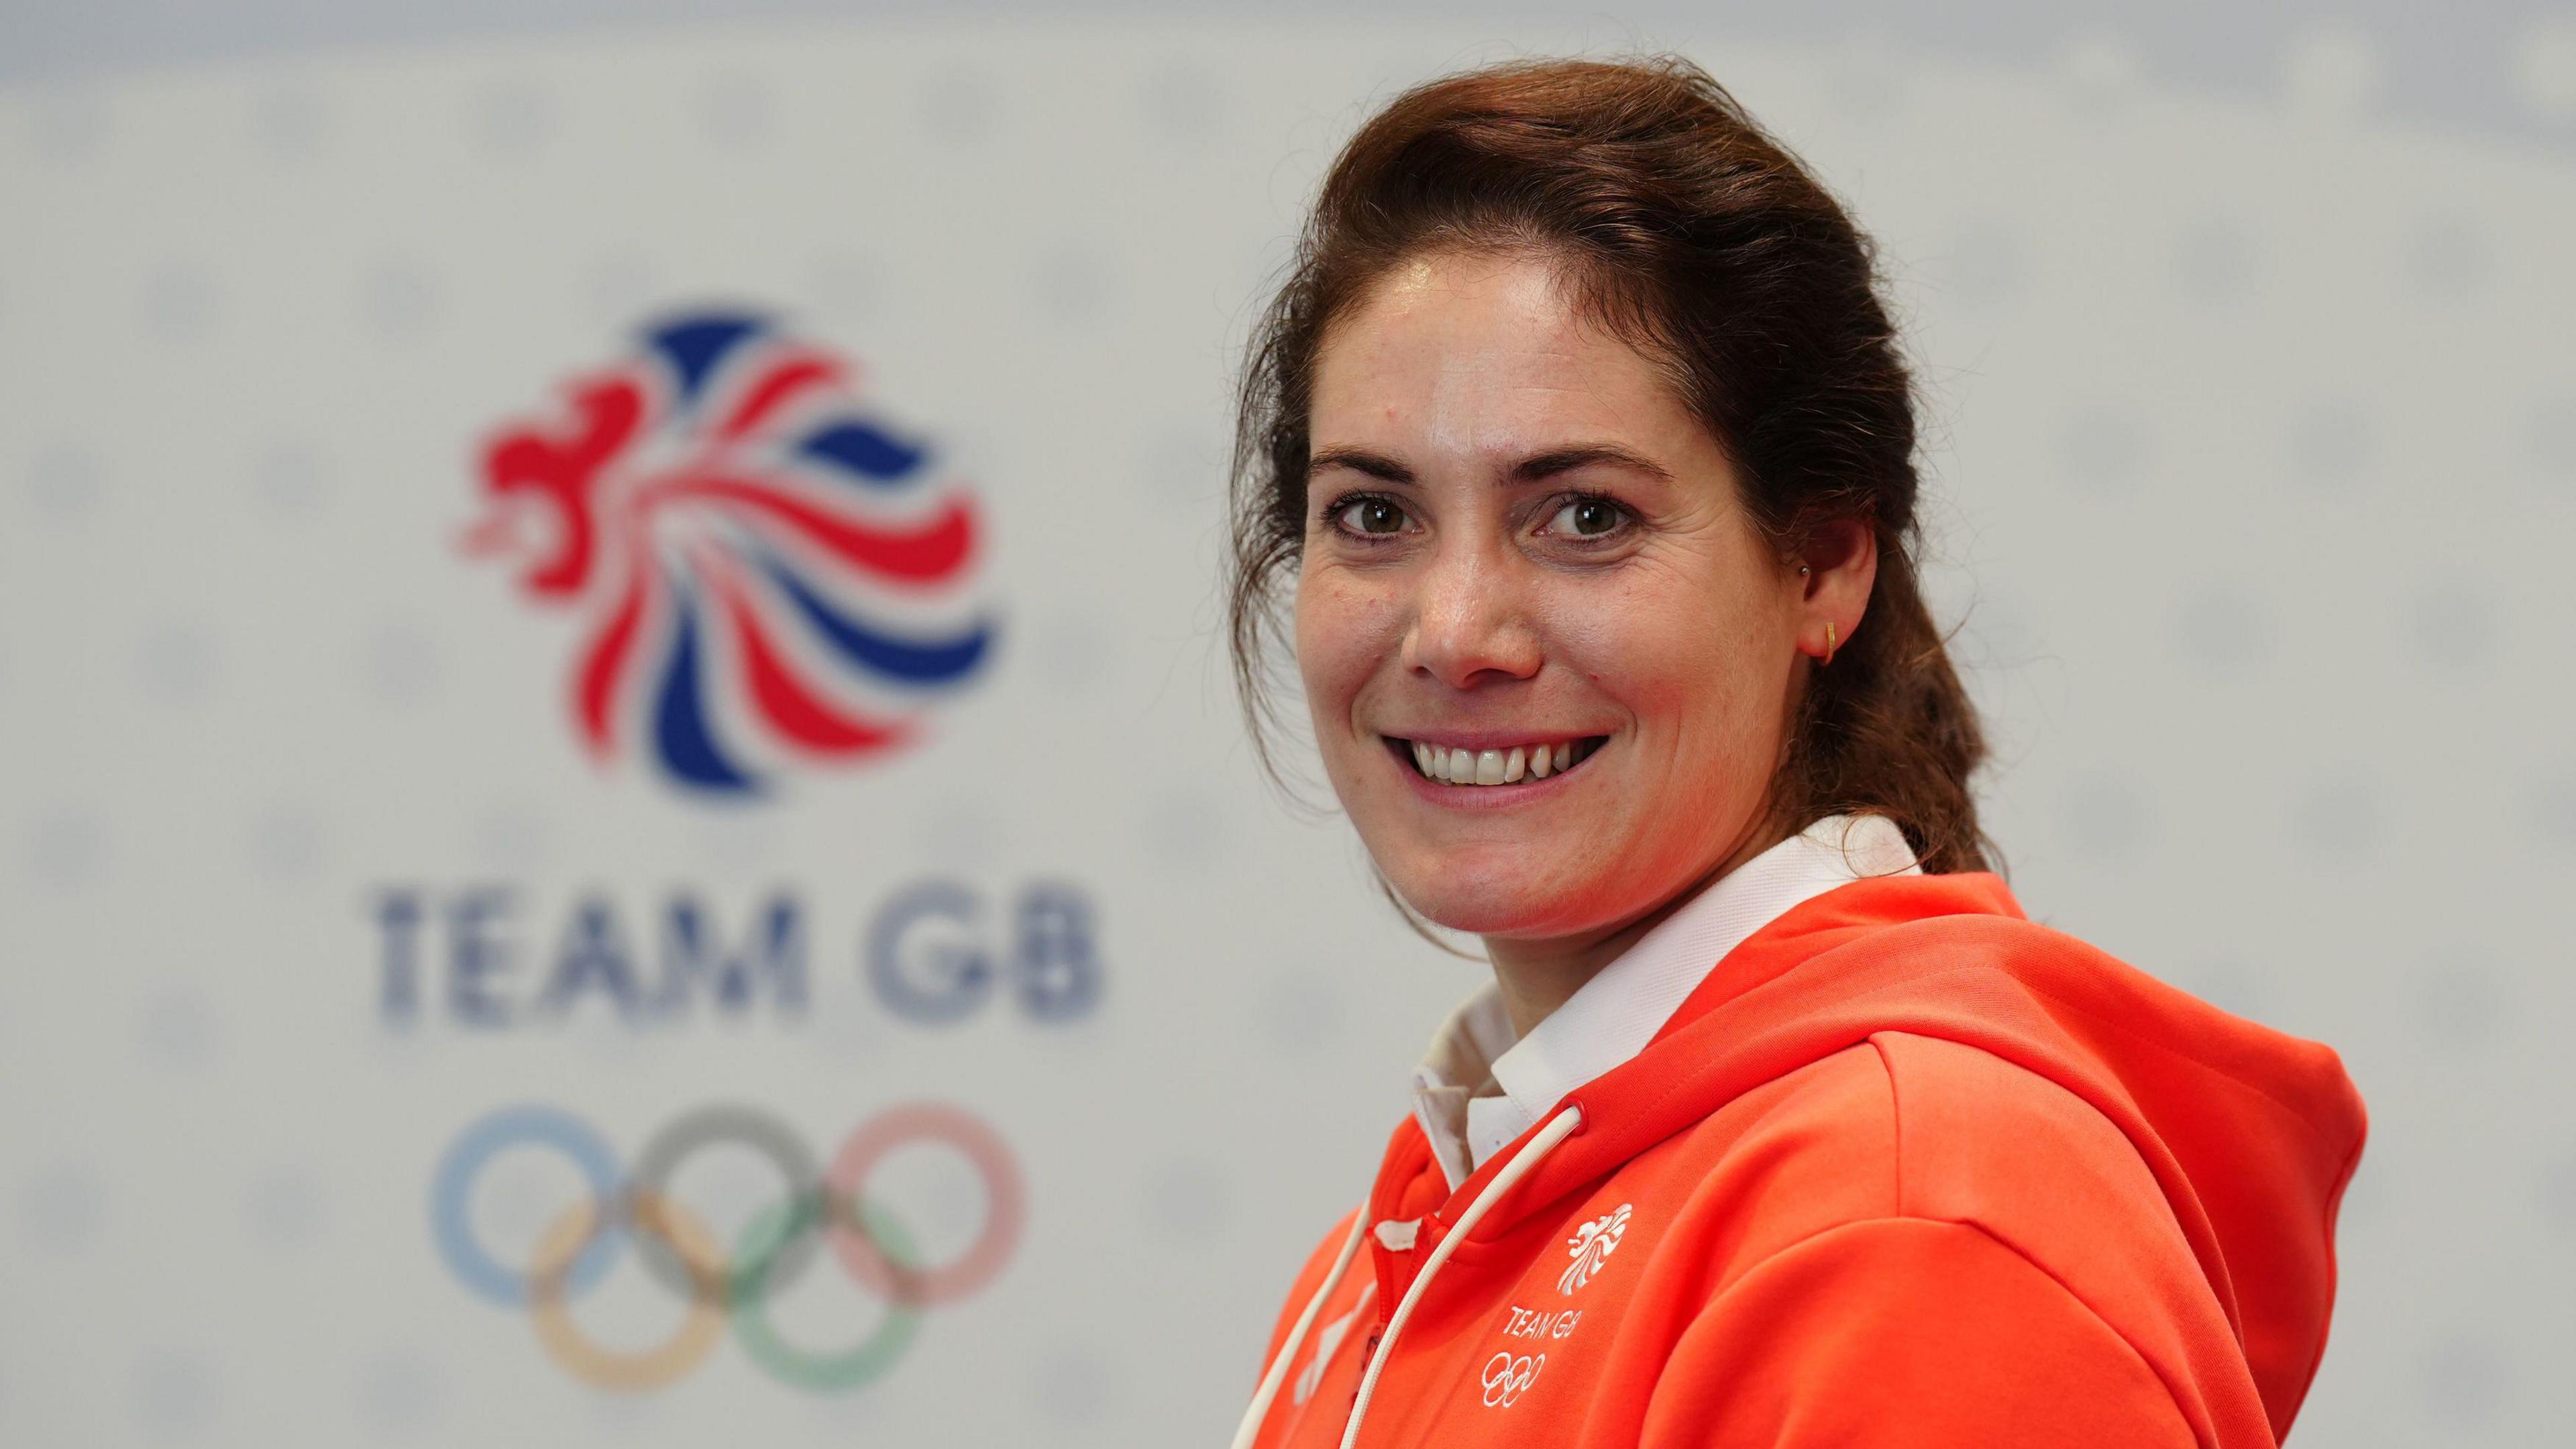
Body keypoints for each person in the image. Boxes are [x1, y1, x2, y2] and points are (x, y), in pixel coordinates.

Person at [1221, 56, 2365, 1449]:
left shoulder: (1914, 1220)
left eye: (1584, 517)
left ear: (1824, 563)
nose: (1455, 631)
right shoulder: (1413, 1240)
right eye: (1374, 516)